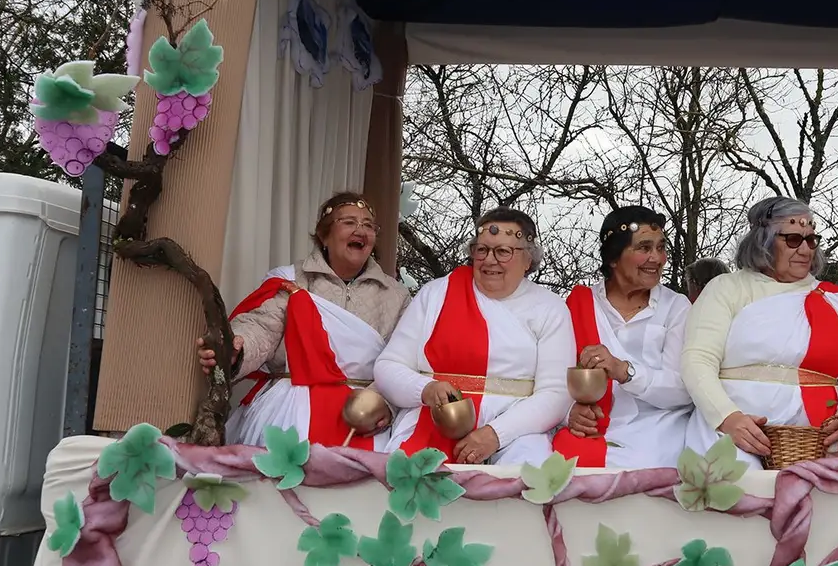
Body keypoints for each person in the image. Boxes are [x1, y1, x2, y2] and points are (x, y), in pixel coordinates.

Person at [680, 196, 838, 470]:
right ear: (763, 241)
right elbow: (697, 360)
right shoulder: (727, 288)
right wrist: (727, 418)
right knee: (736, 492)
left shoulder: (833, 299)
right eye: (793, 239)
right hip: (737, 425)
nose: (805, 249)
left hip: (826, 429)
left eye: (811, 240)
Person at [198, 192, 412, 449]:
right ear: (324, 235)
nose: (360, 230)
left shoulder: (396, 295)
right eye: (349, 222)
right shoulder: (291, 280)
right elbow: (262, 327)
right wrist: (235, 349)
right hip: (289, 413)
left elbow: (405, 359)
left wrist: (383, 404)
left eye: (368, 225)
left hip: (364, 420)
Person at [373, 207, 574, 465]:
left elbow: (556, 393)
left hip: (518, 430)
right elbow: (388, 366)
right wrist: (425, 389)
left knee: (527, 485)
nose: (490, 260)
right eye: (482, 250)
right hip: (433, 419)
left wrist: (495, 434)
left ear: (528, 260)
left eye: (503, 251)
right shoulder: (435, 294)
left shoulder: (550, 307)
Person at [552, 206, 694, 468]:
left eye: (661, 247)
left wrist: (624, 371)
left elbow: (684, 390)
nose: (658, 258)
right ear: (614, 258)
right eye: (644, 248)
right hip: (590, 428)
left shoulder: (676, 307)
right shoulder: (578, 305)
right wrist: (568, 413)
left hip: (659, 430)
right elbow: (551, 379)